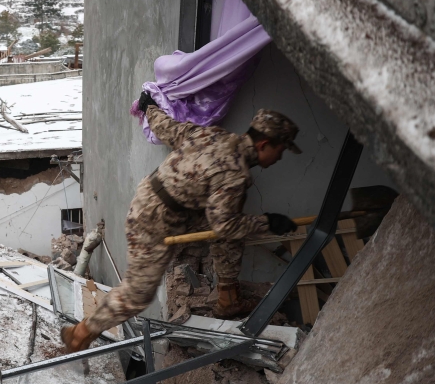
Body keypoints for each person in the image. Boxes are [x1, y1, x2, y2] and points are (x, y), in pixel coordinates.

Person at [61, 94, 301, 353]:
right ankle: (81, 333)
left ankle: (227, 297)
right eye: (280, 150)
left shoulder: (213, 136)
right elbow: (225, 225)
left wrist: (149, 108)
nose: (280, 158)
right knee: (139, 293)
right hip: (154, 220)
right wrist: (268, 222)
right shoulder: (233, 175)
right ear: (264, 144)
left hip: (159, 200)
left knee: (232, 227)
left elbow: (169, 128)